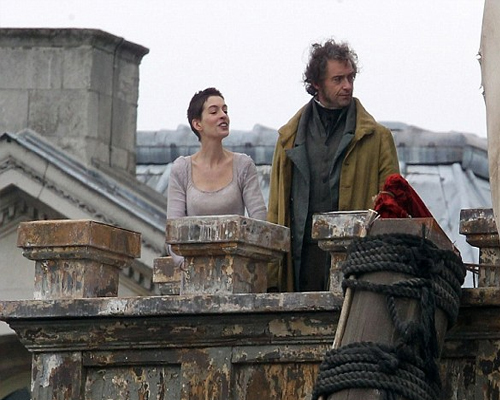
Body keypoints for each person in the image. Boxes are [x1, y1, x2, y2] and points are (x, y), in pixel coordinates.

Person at [267, 39, 400, 292]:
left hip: (358, 264)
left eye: (350, 78)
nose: (347, 86)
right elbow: (275, 211)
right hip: (301, 262)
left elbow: (393, 211)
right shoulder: (288, 139)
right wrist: (272, 280)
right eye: (338, 79)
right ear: (317, 83)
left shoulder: (377, 138)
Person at [167, 87, 267, 264]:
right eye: (214, 111)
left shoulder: (243, 165)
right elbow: (173, 233)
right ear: (197, 124)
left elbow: (260, 222)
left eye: (225, 111)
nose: (223, 116)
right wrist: (187, 265)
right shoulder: (181, 169)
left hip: (236, 267)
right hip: (193, 270)